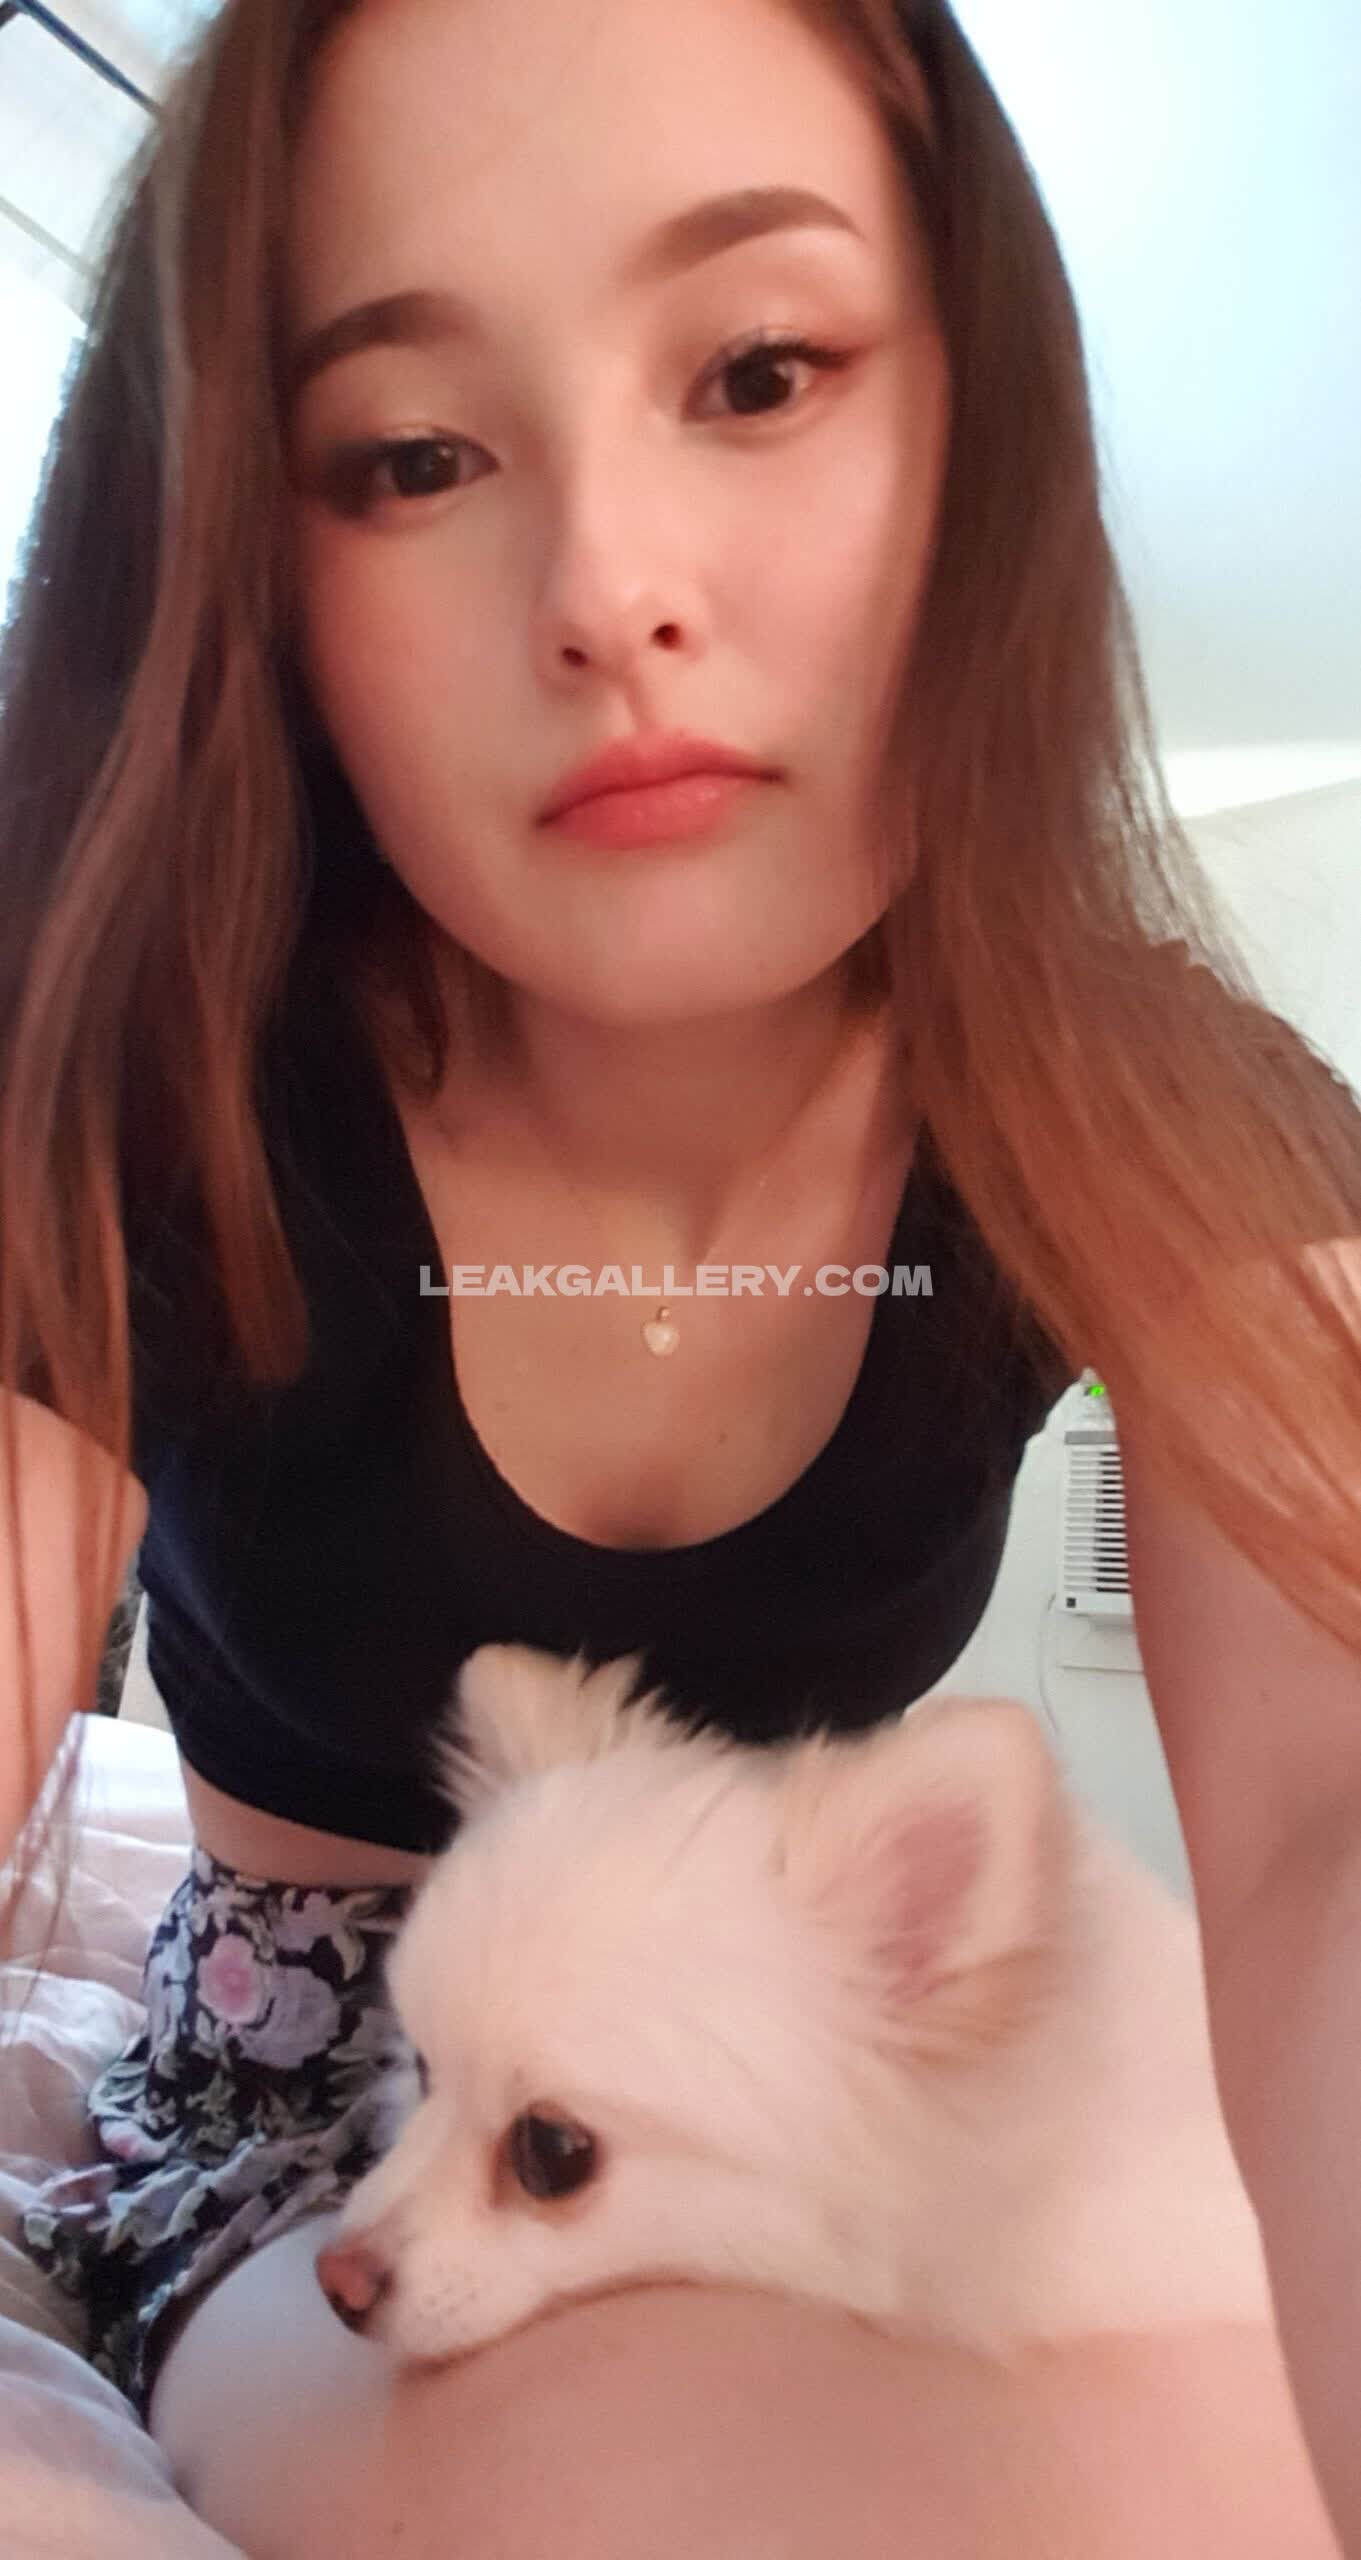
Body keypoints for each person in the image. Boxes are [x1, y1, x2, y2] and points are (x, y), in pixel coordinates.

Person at [2, 0, 1360, 2551]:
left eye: (758, 370)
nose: (612, 593)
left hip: (842, 2122)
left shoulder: (1138, 1099)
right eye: (415, 453)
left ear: (978, 436)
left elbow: (1324, 1803)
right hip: (321, 2119)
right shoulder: (152, 1090)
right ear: (259, 567)